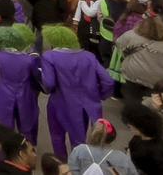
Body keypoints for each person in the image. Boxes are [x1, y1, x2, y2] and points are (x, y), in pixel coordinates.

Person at [40, 25, 114, 161]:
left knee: (57, 137)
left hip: (59, 103)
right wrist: (99, 95)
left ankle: (61, 165)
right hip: (85, 106)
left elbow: (49, 84)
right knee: (79, 141)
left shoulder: (49, 56)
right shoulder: (89, 56)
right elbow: (108, 81)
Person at [115, 15, 163, 106]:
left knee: (131, 97)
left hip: (132, 73)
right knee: (151, 102)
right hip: (156, 80)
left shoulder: (130, 35)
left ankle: (131, 110)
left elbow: (118, 44)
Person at [0, 24, 41, 145]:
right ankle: (27, 151)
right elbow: (38, 78)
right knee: (26, 128)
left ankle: (5, 152)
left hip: (3, 93)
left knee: (5, 126)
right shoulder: (31, 60)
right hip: (26, 95)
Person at [123, 102, 163, 175]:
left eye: (130, 127)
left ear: (139, 126)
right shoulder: (139, 137)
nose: (129, 129)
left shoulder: (157, 153)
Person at [66, 119, 138, 175]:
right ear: (113, 138)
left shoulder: (79, 150)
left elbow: (71, 170)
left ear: (92, 134)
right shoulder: (122, 158)